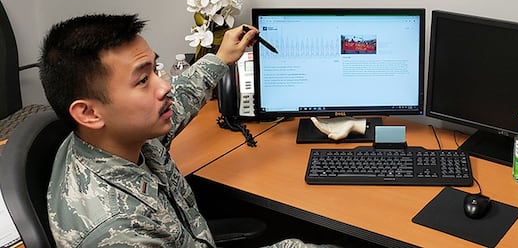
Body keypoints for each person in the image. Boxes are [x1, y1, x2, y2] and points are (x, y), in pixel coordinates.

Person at [40, 14, 328, 247]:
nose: (164, 86)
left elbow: (183, 96)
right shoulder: (120, 232)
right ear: (89, 113)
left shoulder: (121, 137)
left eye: (156, 69)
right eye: (143, 80)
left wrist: (221, 57)